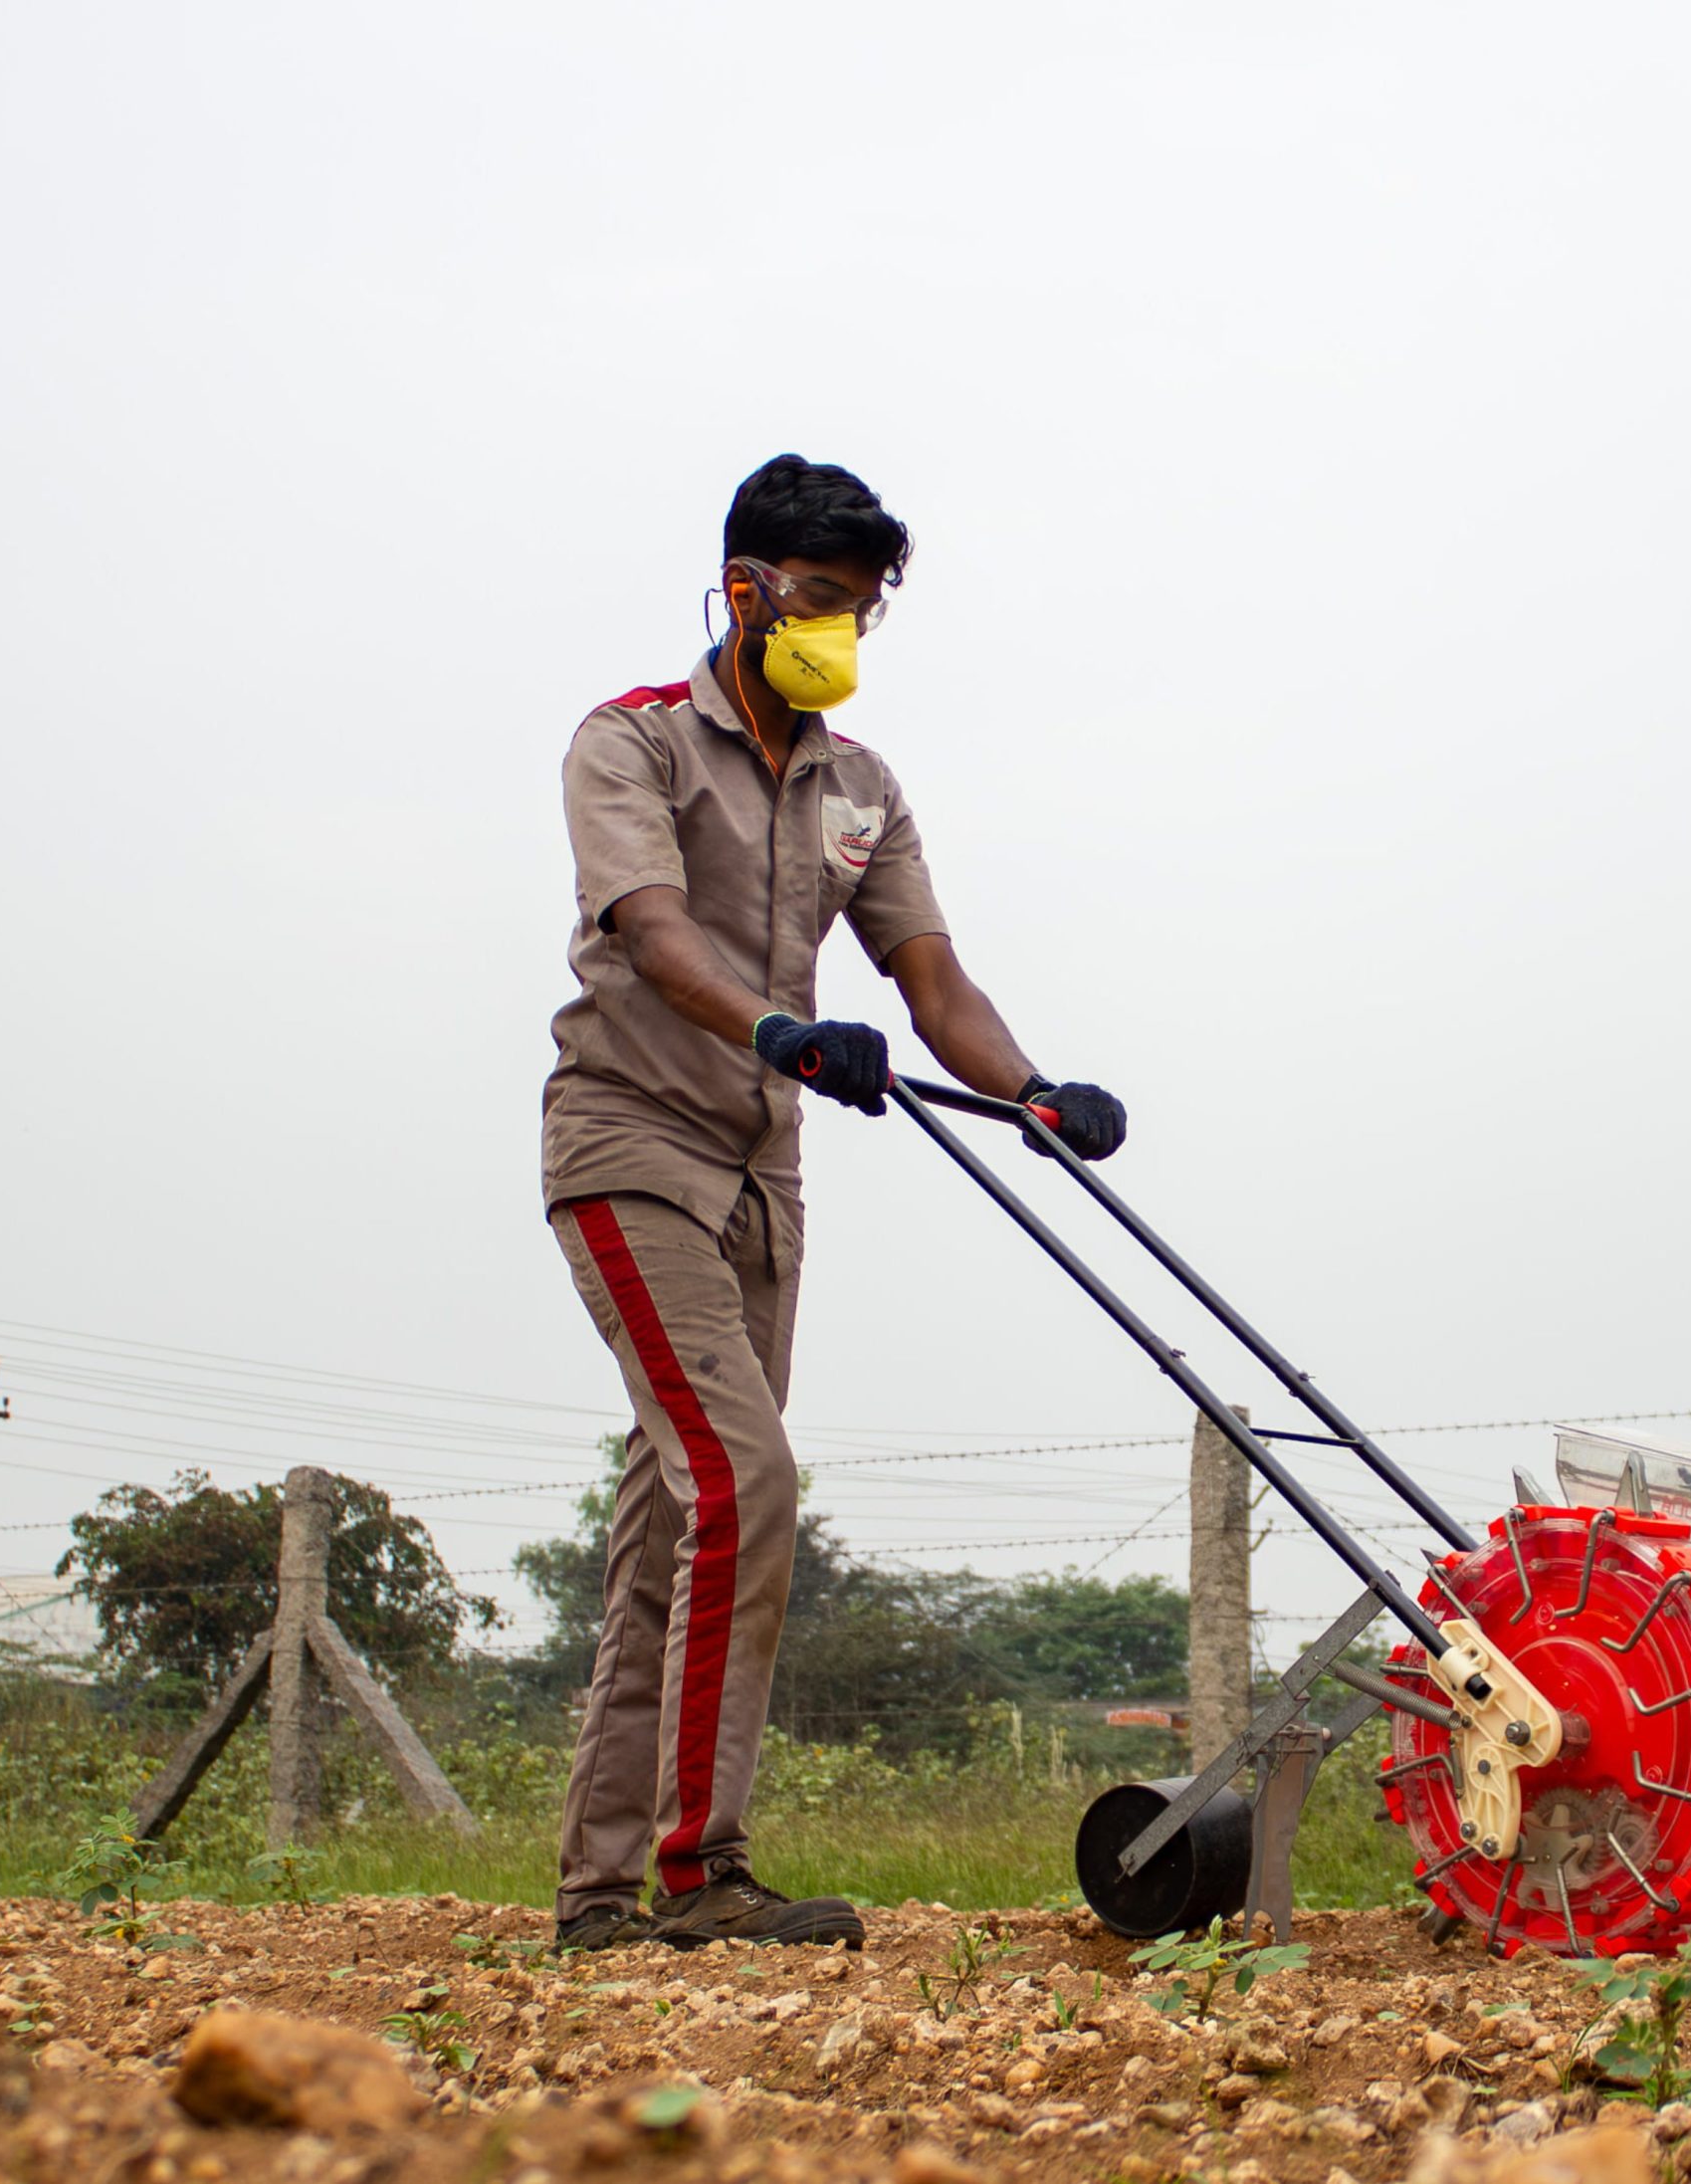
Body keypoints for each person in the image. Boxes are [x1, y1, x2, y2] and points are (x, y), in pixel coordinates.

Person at [539, 453, 1126, 1951]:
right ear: (741, 589)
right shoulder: (635, 744)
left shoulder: (863, 787)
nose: (837, 635)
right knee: (747, 1481)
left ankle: (601, 1896)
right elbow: (656, 931)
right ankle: (697, 1872)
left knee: (678, 1523)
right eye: (816, 602)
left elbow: (933, 982)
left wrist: (1036, 1093)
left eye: (860, 612)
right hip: (631, 1147)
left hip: (760, 1175)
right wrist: (777, 1030)